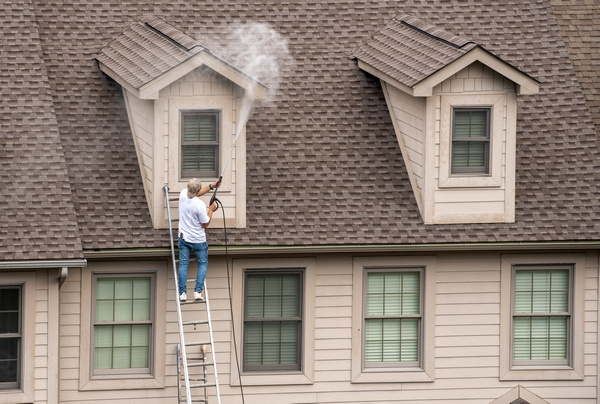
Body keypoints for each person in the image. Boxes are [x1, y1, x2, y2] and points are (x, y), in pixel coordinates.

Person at [177, 177, 220, 302]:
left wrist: (212, 186)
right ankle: (197, 292)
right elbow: (205, 224)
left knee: (183, 264)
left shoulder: (183, 194)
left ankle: (182, 294)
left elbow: (197, 193)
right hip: (198, 241)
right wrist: (211, 210)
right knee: (202, 264)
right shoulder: (200, 205)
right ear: (198, 189)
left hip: (184, 238)